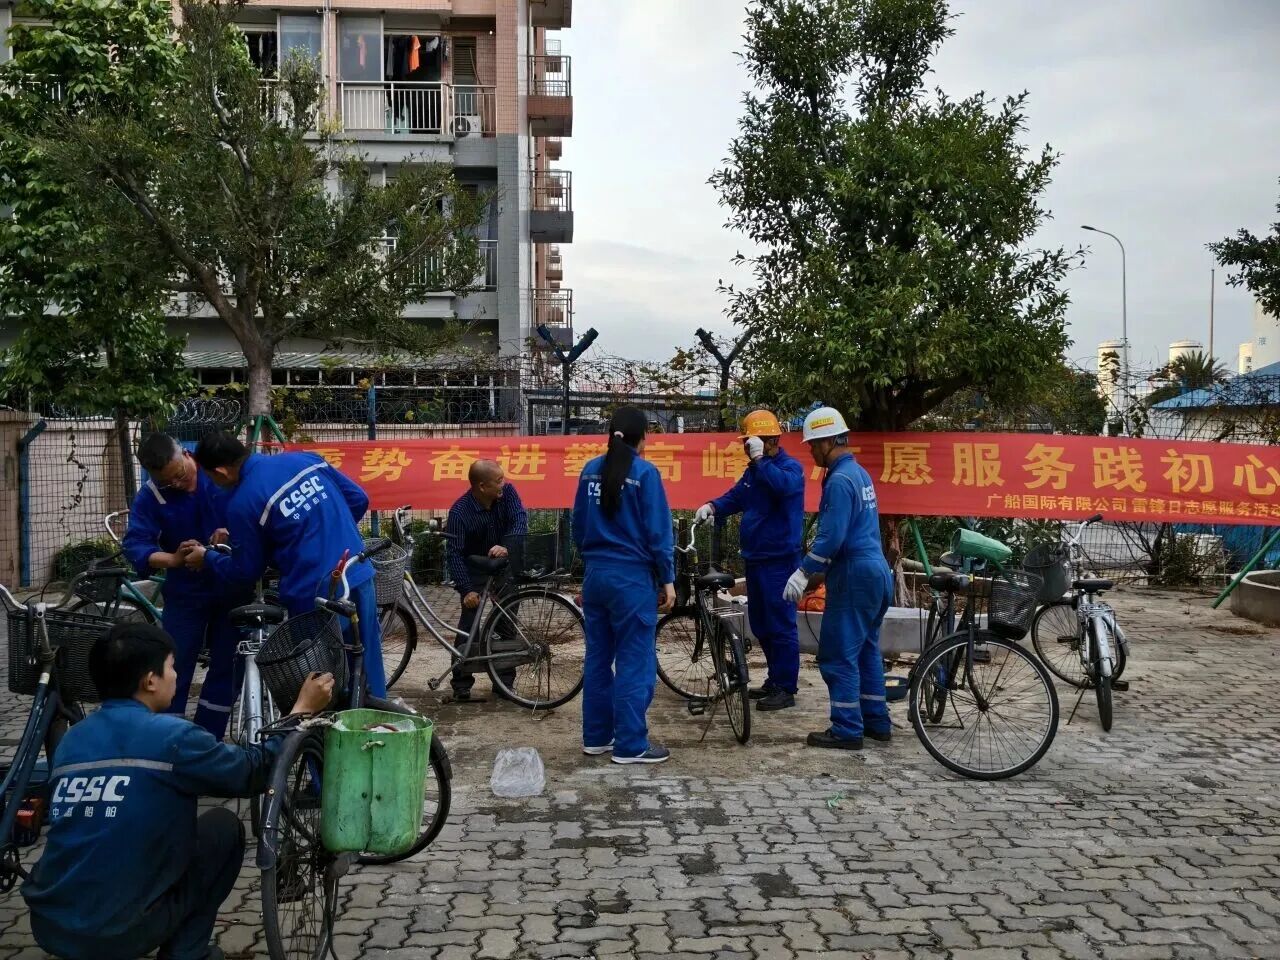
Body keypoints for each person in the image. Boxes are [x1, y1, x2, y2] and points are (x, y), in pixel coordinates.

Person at [22, 622, 333, 960]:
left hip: (51, 927)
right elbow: (253, 772)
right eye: (172, 666)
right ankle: (187, 954)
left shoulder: (73, 740)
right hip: (117, 934)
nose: (176, 675)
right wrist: (300, 711)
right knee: (223, 829)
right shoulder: (173, 737)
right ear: (150, 681)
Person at [184, 431, 388, 698]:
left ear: (220, 471)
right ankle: (378, 720)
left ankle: (336, 724)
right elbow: (358, 499)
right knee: (367, 665)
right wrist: (328, 531)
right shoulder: (304, 460)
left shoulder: (242, 502)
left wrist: (208, 558)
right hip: (357, 570)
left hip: (314, 593)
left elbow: (246, 570)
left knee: (323, 682)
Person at [121, 433, 249, 739]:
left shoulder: (216, 469)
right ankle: (168, 739)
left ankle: (207, 739)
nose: (178, 484)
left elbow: (253, 514)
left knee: (228, 664)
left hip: (230, 585)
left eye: (180, 474)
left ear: (187, 455)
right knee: (173, 665)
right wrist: (174, 559)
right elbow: (136, 546)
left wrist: (232, 531)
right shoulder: (152, 496)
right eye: (168, 482)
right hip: (186, 593)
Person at [784, 406, 894, 750]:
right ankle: (876, 721)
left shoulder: (839, 481)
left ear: (828, 441)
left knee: (838, 654)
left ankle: (846, 728)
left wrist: (803, 571)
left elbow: (831, 537)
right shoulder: (859, 474)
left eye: (813, 445)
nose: (811, 452)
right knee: (866, 650)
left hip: (854, 575)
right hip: (876, 573)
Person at [572, 406, 676, 764]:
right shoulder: (645, 474)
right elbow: (659, 533)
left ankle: (597, 738)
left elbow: (577, 526)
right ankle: (631, 744)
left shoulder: (589, 470)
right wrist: (668, 579)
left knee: (598, 659)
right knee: (635, 660)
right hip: (631, 581)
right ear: (642, 437)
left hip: (596, 576)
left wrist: (592, 563)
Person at [695, 409, 805, 711]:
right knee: (762, 623)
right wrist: (713, 506)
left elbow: (783, 488)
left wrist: (759, 460)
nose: (746, 446)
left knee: (780, 624)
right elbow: (737, 497)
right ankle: (775, 679)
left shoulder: (789, 469)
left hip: (780, 561)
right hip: (756, 559)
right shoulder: (755, 471)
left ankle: (786, 687)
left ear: (770, 440)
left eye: (751, 441)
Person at [444, 459, 528, 701]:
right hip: (474, 569)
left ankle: (504, 683)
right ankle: (461, 683)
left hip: (503, 565)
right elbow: (454, 554)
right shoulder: (460, 512)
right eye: (498, 481)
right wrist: (466, 590)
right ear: (482, 486)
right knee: (469, 624)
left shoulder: (508, 494)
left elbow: (520, 520)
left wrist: (507, 545)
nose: (504, 484)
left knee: (506, 622)